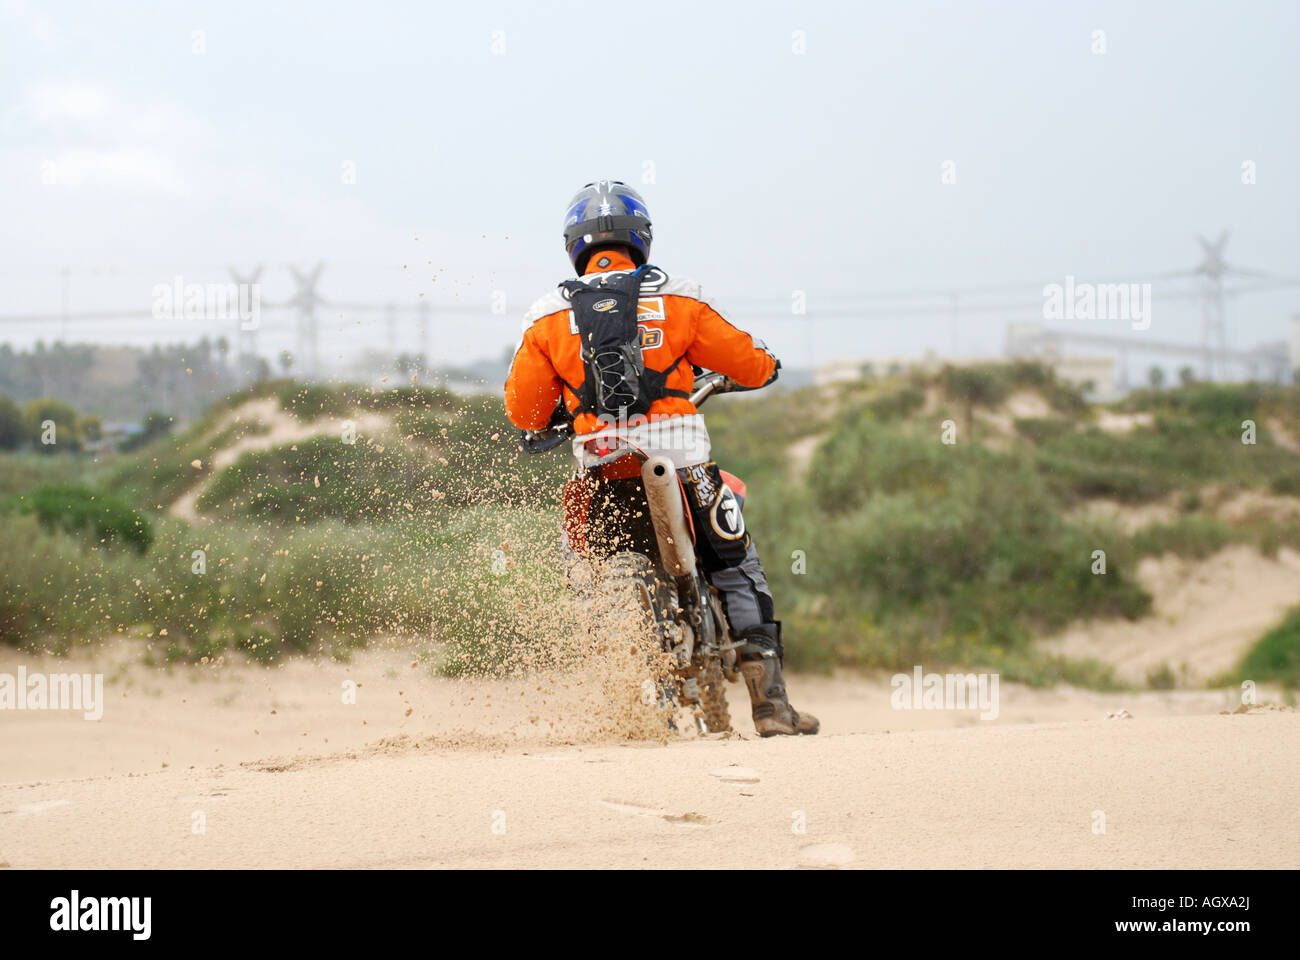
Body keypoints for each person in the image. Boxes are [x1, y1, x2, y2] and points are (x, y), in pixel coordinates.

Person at [504, 180, 818, 737]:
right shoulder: (680, 295)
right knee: (736, 565)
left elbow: (526, 412)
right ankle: (771, 707)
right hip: (683, 460)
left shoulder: (545, 316)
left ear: (574, 245)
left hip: (600, 466)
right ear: (641, 237)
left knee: (583, 566)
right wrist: (766, 366)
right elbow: (747, 365)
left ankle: (618, 669)